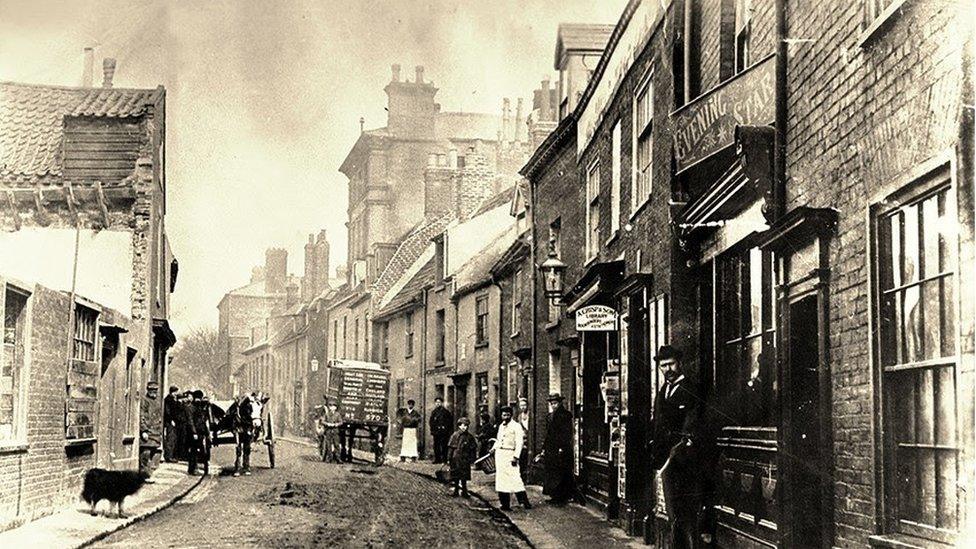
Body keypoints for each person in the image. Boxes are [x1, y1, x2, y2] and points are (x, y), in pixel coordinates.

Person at [648, 345, 703, 549]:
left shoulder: (690, 389)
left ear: (679, 364)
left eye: (671, 364)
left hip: (683, 462)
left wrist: (678, 451)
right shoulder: (663, 392)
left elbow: (692, 425)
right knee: (672, 512)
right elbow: (657, 425)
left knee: (685, 512)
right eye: (663, 366)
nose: (668, 369)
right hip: (666, 462)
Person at [536, 393, 578, 505]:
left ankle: (562, 497)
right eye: (552, 403)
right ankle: (554, 495)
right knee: (552, 472)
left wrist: (562, 447)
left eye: (555, 403)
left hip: (561, 448)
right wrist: (544, 448)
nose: (553, 405)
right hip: (551, 448)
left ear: (560, 403)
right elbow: (548, 434)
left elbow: (567, 433)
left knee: (560, 472)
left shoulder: (566, 415)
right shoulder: (549, 416)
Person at [492, 405, 531, 511]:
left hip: (510, 454)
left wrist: (516, 457)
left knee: (515, 478)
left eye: (508, 415)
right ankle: (505, 504)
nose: (505, 417)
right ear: (501, 415)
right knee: (501, 480)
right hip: (500, 455)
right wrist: (493, 448)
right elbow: (499, 440)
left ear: (511, 415)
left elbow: (519, 442)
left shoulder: (516, 426)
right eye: (504, 415)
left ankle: (524, 502)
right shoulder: (501, 426)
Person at [447, 417, 478, 498]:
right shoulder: (455, 435)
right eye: (462, 425)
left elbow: (473, 449)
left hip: (465, 459)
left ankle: (464, 491)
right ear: (459, 426)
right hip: (456, 458)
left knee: (464, 476)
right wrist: (449, 458)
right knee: (456, 475)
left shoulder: (470, 437)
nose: (463, 427)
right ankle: (456, 490)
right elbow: (451, 447)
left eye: (465, 425)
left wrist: (472, 459)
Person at [187, 390, 213, 476]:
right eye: (197, 398)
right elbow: (190, 421)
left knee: (200, 450)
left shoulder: (200, 408)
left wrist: (207, 432)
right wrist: (194, 432)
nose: (198, 400)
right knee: (193, 451)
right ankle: (193, 469)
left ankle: (196, 467)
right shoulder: (190, 407)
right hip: (193, 433)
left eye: (199, 398)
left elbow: (204, 420)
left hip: (201, 431)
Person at [139, 381, 163, 476]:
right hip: (148, 431)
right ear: (148, 390)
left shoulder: (157, 401)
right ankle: (145, 474)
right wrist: (143, 430)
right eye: (152, 390)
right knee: (146, 453)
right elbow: (141, 416)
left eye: (155, 390)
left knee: (154, 453)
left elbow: (159, 417)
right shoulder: (144, 400)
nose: (154, 392)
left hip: (156, 432)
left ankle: (149, 472)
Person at [429, 397, 453, 464]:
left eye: (439, 402)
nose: (438, 404)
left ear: (442, 403)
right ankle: (437, 459)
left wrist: (446, 428)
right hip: (436, 432)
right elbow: (431, 421)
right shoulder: (434, 412)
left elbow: (449, 421)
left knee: (444, 445)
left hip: (444, 432)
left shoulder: (446, 412)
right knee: (436, 446)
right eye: (436, 402)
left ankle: (444, 459)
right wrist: (433, 429)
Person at [163, 386, 182, 462]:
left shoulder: (172, 400)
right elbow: (167, 411)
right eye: (175, 392)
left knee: (173, 439)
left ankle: (171, 455)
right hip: (170, 422)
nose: (176, 394)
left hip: (173, 422)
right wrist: (171, 420)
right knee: (170, 439)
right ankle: (169, 456)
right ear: (172, 392)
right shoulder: (168, 400)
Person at [516, 397, 530, 481]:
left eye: (524, 405)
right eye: (521, 405)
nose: (523, 407)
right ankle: (522, 476)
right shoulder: (519, 416)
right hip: (523, 438)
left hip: (529, 438)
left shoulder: (530, 415)